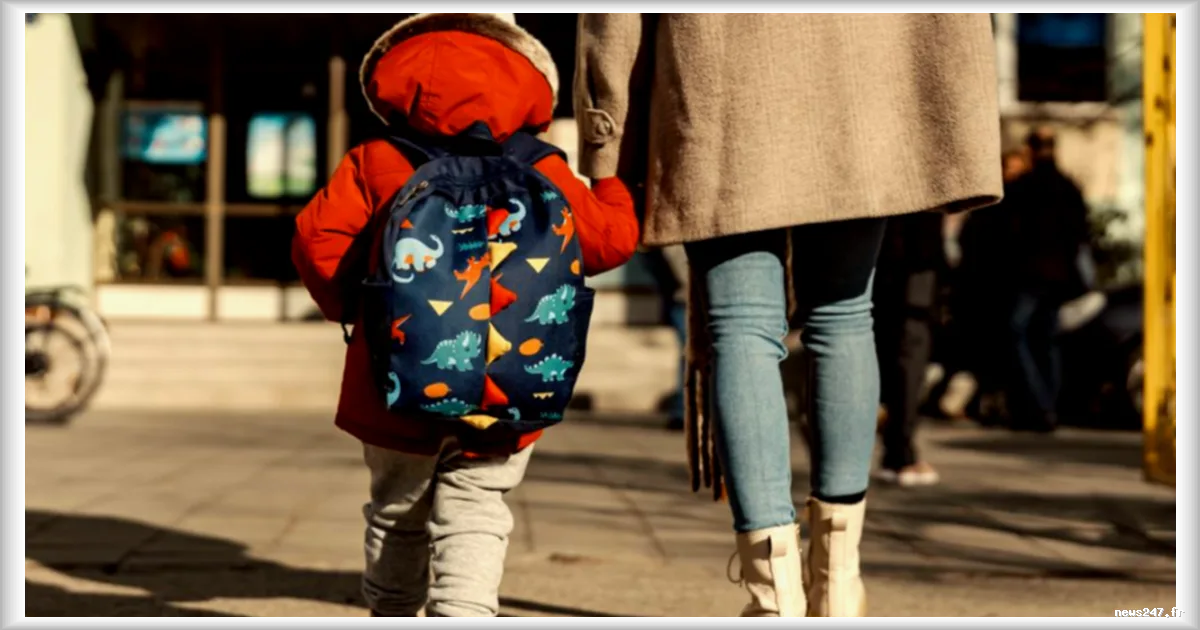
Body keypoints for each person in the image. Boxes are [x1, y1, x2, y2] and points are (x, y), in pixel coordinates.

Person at [576, 13, 1002, 617]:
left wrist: (605, 132)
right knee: (845, 314)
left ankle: (774, 597)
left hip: (722, 77)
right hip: (861, 76)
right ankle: (838, 584)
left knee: (741, 326)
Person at [291, 13, 639, 617]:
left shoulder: (375, 160)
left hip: (393, 375)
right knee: (478, 507)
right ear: (528, 75)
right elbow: (610, 241)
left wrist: (358, 308)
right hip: (512, 378)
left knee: (397, 511)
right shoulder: (544, 165)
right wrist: (611, 188)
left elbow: (317, 244)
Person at [1001, 127, 1091, 432]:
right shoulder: (1067, 186)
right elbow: (1080, 232)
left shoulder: (1024, 187)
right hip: (1058, 275)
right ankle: (1047, 406)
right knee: (1047, 339)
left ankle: (1038, 405)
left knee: (1019, 335)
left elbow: (1007, 232)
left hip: (1029, 273)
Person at [872, 211, 945, 487]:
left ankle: (896, 447)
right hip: (913, 265)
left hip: (879, 258)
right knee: (909, 355)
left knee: (885, 349)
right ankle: (900, 452)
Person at [644, 244, 689, 430]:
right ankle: (682, 410)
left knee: (690, 351)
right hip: (684, 295)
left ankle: (683, 409)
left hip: (681, 294)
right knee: (691, 350)